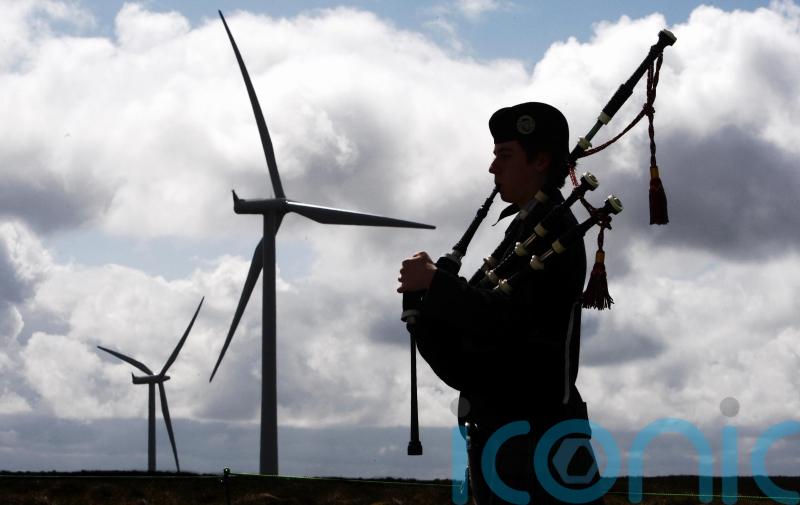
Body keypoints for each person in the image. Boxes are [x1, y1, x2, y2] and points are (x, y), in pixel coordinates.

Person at [398, 102, 603, 504]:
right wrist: (425, 307)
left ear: (541, 160)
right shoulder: (525, 228)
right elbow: (474, 340)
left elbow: (507, 321)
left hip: (539, 444)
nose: (493, 169)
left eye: (504, 156)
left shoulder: (556, 231)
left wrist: (437, 285)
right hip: (506, 442)